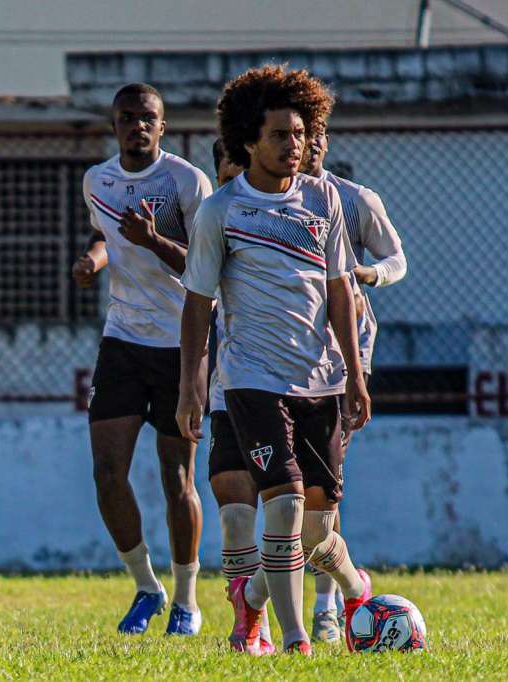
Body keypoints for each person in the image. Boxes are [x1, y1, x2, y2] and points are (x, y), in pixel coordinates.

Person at [177, 65, 373, 655]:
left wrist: (356, 378)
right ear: (247, 142)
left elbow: (340, 292)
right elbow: (196, 305)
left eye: (300, 132)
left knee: (316, 529)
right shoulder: (222, 212)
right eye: (281, 135)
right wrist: (192, 386)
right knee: (283, 505)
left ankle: (324, 588)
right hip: (252, 381)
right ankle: (294, 641)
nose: (296, 145)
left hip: (323, 380)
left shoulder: (325, 201)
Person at [71, 83, 212, 636]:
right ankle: (146, 587)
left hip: (182, 343)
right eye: (127, 118)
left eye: (147, 118)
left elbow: (207, 266)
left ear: (163, 124)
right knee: (108, 474)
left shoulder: (185, 181)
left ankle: (186, 601)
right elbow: (106, 235)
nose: (137, 126)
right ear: (114, 125)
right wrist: (94, 257)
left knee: (177, 476)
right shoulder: (97, 180)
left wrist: (154, 242)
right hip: (123, 341)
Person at [301, 120, 407, 643]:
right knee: (285, 486)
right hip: (285, 353)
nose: (312, 142)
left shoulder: (354, 199)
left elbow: (396, 259)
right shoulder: (264, 202)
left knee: (324, 483)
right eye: (303, 132)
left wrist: (369, 275)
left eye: (320, 132)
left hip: (344, 354)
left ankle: (325, 605)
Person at [205, 139, 276, 655]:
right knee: (234, 512)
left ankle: (333, 598)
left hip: (290, 388)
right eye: (227, 170)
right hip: (228, 388)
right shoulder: (213, 218)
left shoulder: (293, 216)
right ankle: (254, 626)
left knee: (299, 521)